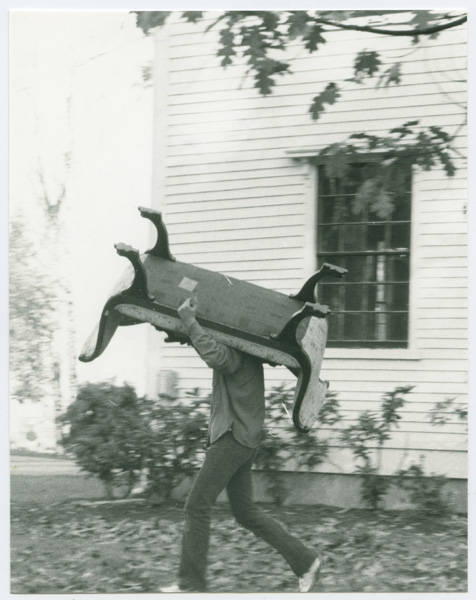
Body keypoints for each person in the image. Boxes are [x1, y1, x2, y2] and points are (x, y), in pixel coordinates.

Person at [160, 296, 321, 593]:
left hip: (232, 438)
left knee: (196, 506)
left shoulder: (240, 350)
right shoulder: (249, 347)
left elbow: (218, 357)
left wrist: (191, 323)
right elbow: (213, 349)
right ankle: (306, 561)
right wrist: (189, 333)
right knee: (245, 512)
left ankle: (191, 584)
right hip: (244, 438)